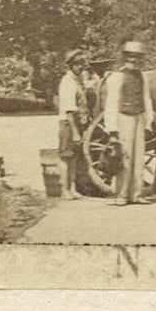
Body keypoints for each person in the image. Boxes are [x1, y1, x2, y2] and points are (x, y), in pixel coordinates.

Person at [104, 41, 153, 206]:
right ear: (124, 57)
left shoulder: (142, 76)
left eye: (137, 57)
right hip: (123, 117)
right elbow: (111, 102)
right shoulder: (116, 77)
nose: (133, 60)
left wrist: (148, 122)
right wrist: (111, 128)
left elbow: (147, 99)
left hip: (139, 116)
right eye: (130, 56)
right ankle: (122, 195)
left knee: (139, 157)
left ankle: (137, 194)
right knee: (125, 156)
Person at [56, 50, 91, 199]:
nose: (80, 67)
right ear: (71, 65)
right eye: (77, 64)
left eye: (82, 64)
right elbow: (69, 110)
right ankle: (64, 190)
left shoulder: (77, 80)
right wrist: (76, 133)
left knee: (75, 158)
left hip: (78, 122)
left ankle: (73, 188)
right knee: (66, 156)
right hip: (68, 123)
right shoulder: (67, 82)